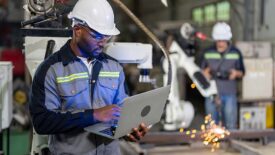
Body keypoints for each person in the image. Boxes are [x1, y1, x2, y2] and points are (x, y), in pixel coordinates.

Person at [29, 0, 148, 154]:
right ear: (77, 29)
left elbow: (120, 114)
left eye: (106, 36)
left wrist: (129, 131)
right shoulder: (51, 70)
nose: (103, 42)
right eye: (97, 35)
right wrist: (93, 115)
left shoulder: (114, 67)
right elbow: (42, 122)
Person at [200, 22, 245, 129]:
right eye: (218, 40)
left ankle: (230, 142)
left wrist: (236, 73)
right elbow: (200, 72)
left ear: (228, 39)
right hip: (211, 92)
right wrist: (204, 73)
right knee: (211, 125)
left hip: (229, 92)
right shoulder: (207, 52)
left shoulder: (235, 52)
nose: (220, 43)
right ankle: (213, 143)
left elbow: (242, 71)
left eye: (223, 40)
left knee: (230, 123)